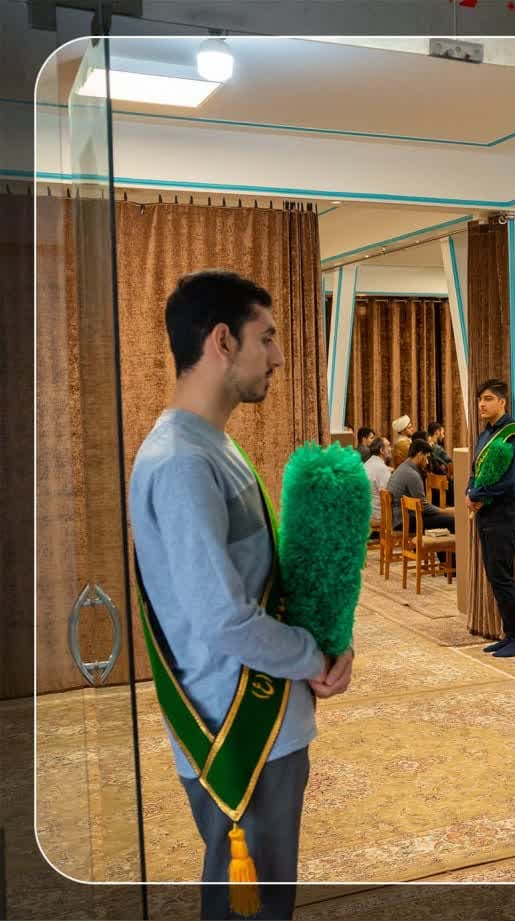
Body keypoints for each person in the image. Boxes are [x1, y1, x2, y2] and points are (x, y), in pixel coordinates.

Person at [128, 269, 353, 921]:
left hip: (267, 714)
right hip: (237, 733)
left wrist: (327, 647)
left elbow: (259, 580)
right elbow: (223, 618)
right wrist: (312, 657)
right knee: (251, 907)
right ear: (223, 341)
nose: (277, 356)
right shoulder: (182, 462)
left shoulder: (212, 446)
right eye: (268, 337)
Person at [466, 379, 515, 658]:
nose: (482, 404)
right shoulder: (486, 434)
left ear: (502, 402)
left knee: (502, 576)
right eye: (480, 399)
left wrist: (478, 495)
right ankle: (510, 634)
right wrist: (470, 491)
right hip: (488, 511)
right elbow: (475, 470)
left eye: (488, 399)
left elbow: (511, 480)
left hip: (507, 512)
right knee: (495, 575)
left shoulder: (513, 435)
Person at [387, 438, 454, 535]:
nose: (427, 462)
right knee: (451, 521)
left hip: (397, 519)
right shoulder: (412, 474)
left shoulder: (402, 467)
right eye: (426, 457)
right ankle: (448, 544)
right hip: (404, 521)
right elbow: (423, 507)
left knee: (443, 518)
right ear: (419, 455)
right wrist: (445, 511)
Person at [364, 436, 392, 527]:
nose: (391, 449)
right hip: (378, 516)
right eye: (388, 446)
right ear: (381, 450)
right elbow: (389, 495)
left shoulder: (367, 463)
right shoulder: (381, 468)